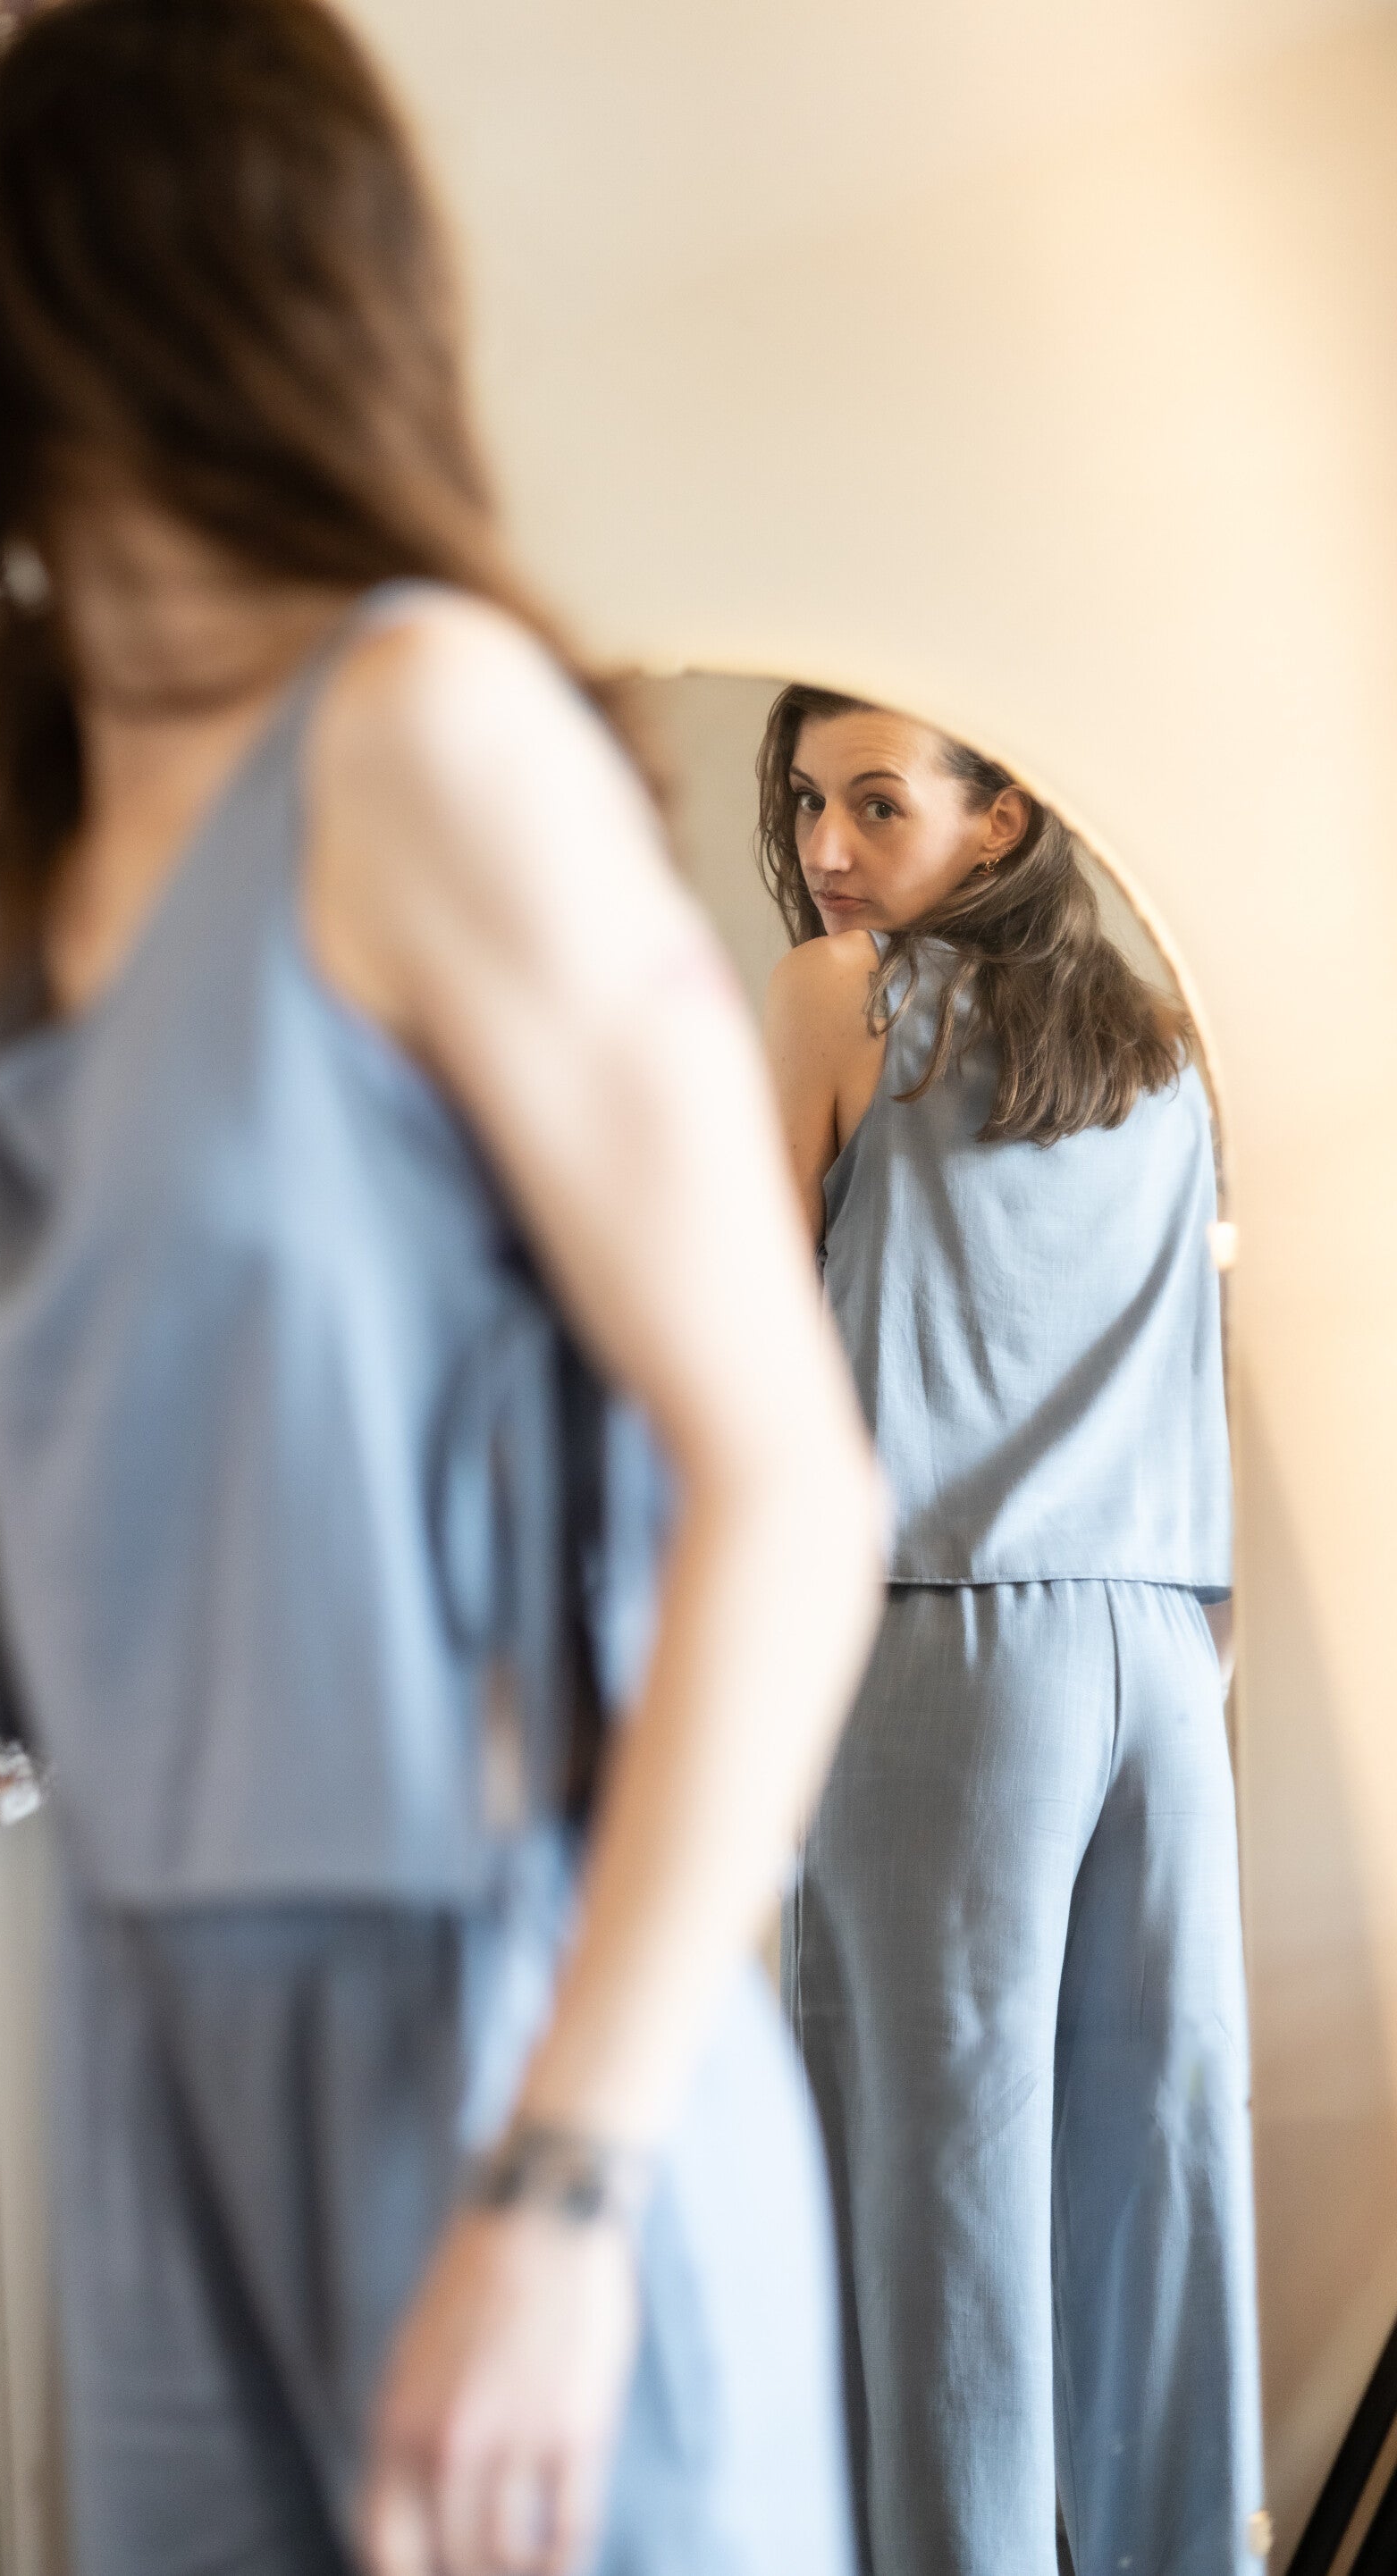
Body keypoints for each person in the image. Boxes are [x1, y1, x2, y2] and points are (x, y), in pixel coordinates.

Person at [0, 8, 886, 2573]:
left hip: (501, 2024)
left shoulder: (427, 736)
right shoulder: (35, 865)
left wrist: (565, 2175)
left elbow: (789, 1485)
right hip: (151, 2050)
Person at [760, 684, 1263, 2576]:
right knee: (1157, 2198)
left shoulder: (844, 999)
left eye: (875, 801)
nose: (825, 846)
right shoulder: (1160, 1049)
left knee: (936, 2218)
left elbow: (739, 1347)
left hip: (946, 1656)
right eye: (806, 800)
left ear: (1001, 817)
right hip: (1163, 1661)